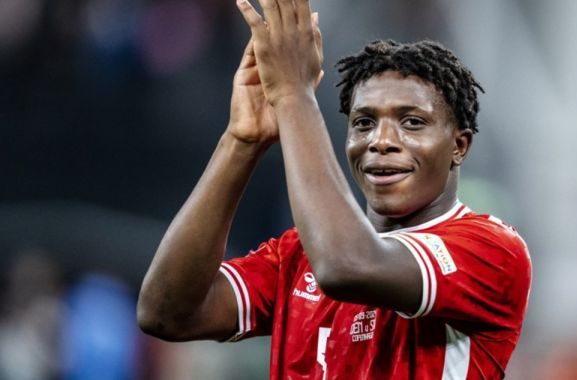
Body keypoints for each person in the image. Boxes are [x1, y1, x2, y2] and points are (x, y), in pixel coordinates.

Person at [137, 0, 532, 378]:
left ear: (459, 146)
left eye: (411, 122)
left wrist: (293, 95)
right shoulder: (297, 256)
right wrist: (242, 140)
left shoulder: (492, 250)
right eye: (363, 123)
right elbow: (167, 314)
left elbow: (346, 265)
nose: (380, 140)